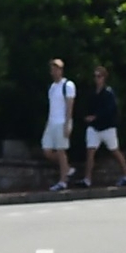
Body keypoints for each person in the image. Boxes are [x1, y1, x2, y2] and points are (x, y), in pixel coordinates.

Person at [80, 63, 126, 188]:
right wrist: (89, 117)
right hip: (94, 128)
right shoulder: (92, 93)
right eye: (95, 76)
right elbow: (88, 107)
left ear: (104, 78)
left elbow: (110, 109)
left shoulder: (109, 93)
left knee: (115, 151)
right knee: (90, 151)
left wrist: (96, 116)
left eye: (99, 76)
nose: (96, 79)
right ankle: (87, 179)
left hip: (108, 128)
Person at [40, 58, 76, 191]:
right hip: (52, 123)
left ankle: (63, 181)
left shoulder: (68, 85)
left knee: (61, 151)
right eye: (53, 69)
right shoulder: (52, 87)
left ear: (61, 70)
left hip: (62, 122)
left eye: (57, 69)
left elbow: (69, 106)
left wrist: (67, 124)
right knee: (47, 151)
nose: (54, 71)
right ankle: (67, 168)